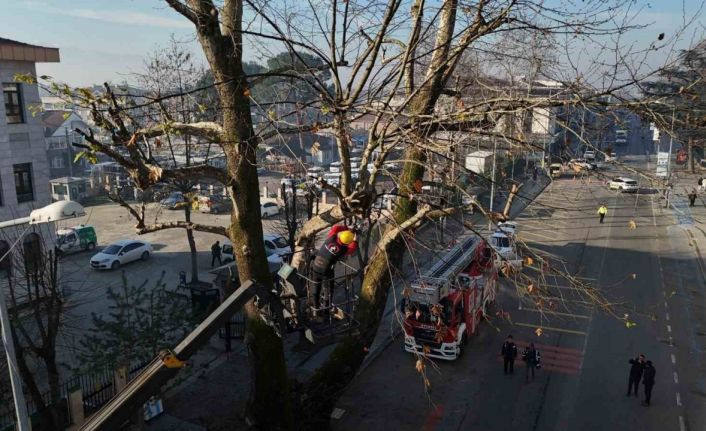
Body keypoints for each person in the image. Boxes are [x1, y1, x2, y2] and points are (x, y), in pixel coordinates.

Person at [311, 225, 358, 314]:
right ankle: (326, 309)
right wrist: (355, 239)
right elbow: (352, 248)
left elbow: (335, 228)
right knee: (327, 290)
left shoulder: (331, 238)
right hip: (325, 271)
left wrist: (347, 228)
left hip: (315, 266)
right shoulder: (343, 250)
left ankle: (315, 308)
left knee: (316, 288)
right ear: (347, 243)